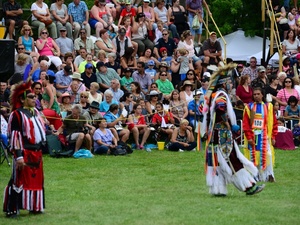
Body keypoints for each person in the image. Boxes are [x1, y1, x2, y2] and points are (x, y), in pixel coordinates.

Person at [203, 64, 265, 196]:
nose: (232, 85)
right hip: (222, 134)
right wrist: (229, 125)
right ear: (224, 83)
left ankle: (218, 190)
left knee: (218, 162)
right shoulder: (221, 95)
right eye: (230, 82)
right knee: (233, 160)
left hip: (214, 135)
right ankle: (249, 187)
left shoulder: (213, 95)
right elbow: (221, 109)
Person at [3, 81, 47, 217]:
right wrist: (19, 155)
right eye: (31, 97)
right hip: (24, 152)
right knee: (19, 180)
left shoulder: (36, 113)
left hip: (36, 153)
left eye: (35, 97)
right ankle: (12, 208)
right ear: (22, 99)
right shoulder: (16, 115)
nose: (35, 99)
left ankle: (35, 206)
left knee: (36, 180)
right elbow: (15, 137)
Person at [243, 87, 278, 182]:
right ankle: (256, 176)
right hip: (253, 136)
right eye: (254, 94)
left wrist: (273, 136)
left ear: (262, 95)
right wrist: (249, 137)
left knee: (268, 155)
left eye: (258, 94)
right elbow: (246, 124)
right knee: (254, 156)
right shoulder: (249, 107)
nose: (256, 96)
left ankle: (269, 175)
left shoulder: (268, 107)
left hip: (265, 135)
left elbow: (273, 122)